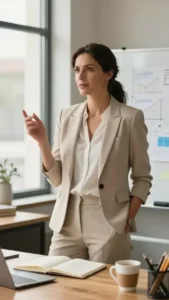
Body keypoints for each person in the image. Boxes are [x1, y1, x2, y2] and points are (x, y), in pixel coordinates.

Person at [23, 43, 152, 264]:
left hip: (109, 219)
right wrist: (42, 141)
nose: (81, 76)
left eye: (90, 69)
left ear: (108, 74)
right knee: (57, 287)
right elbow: (57, 179)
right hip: (67, 217)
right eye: (77, 69)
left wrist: (126, 217)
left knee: (103, 293)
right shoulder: (67, 116)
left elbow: (142, 178)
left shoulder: (130, 118)